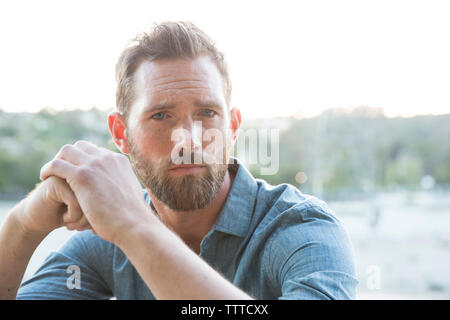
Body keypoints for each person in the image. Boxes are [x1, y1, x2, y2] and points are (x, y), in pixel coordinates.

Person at [0, 21, 358, 300]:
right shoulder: (106, 242)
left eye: (206, 112)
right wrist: (22, 223)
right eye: (161, 116)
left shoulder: (301, 229)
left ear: (232, 127)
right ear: (121, 133)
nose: (188, 138)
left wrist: (135, 229)